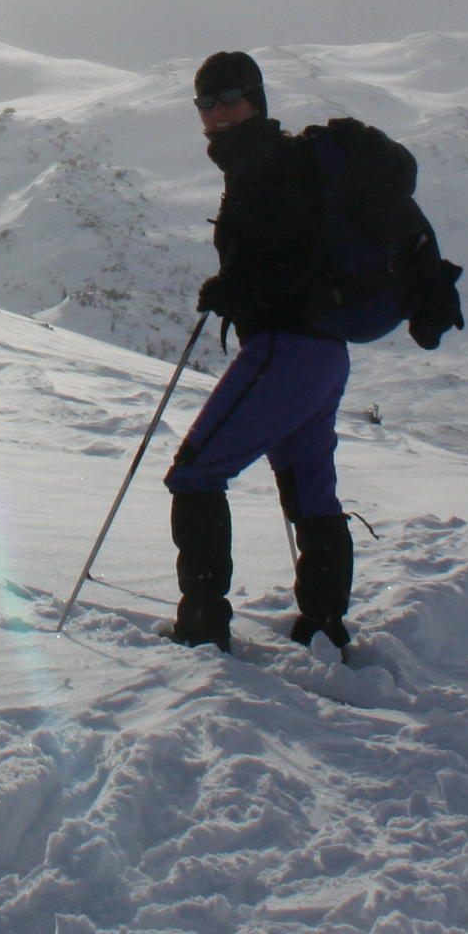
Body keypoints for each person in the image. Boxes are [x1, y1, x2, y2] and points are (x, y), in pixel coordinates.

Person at [163, 49, 389, 654]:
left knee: (195, 473)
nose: (215, 114)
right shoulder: (272, 163)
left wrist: (233, 286)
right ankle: (323, 626)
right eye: (205, 103)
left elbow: (290, 262)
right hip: (321, 356)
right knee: (309, 490)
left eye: (228, 99)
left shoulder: (267, 169)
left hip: (286, 351)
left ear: (255, 100)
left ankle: (203, 626)